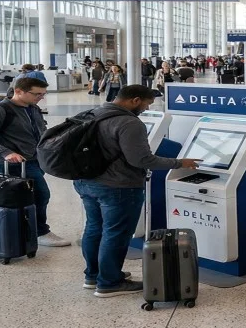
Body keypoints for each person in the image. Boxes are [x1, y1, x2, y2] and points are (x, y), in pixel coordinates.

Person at [75, 85, 200, 297]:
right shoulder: (129, 123)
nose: (145, 108)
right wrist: (180, 163)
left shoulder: (91, 114)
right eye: (146, 104)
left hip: (86, 181)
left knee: (94, 228)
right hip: (118, 186)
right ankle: (109, 283)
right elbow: (141, 159)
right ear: (135, 100)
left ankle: (93, 276)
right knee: (115, 233)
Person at [0, 78, 69, 247]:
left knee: (28, 195)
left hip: (33, 158)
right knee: (40, 193)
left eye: (43, 94)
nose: (41, 98)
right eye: (37, 94)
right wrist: (6, 152)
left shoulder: (33, 108)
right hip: (11, 161)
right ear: (18, 91)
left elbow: (39, 131)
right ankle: (40, 232)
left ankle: (26, 229)